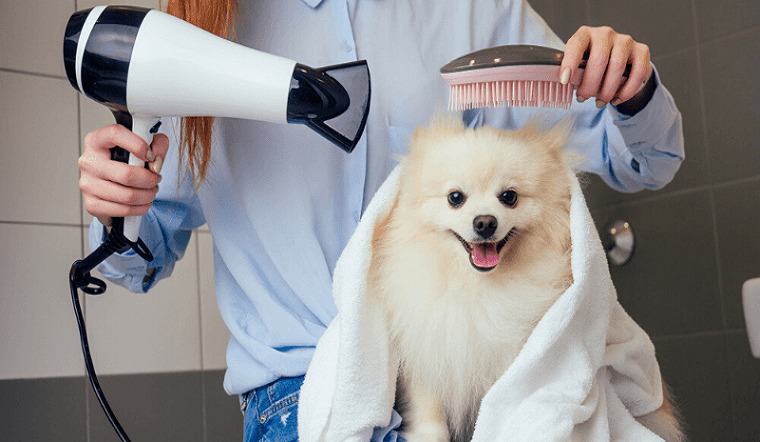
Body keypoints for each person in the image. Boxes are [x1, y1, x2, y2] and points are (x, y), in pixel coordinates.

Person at [77, 0, 684, 440]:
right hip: (300, 392)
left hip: (479, 384)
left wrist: (627, 85)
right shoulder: (199, 38)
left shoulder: (473, 11)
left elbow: (641, 159)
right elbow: (138, 259)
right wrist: (116, 206)